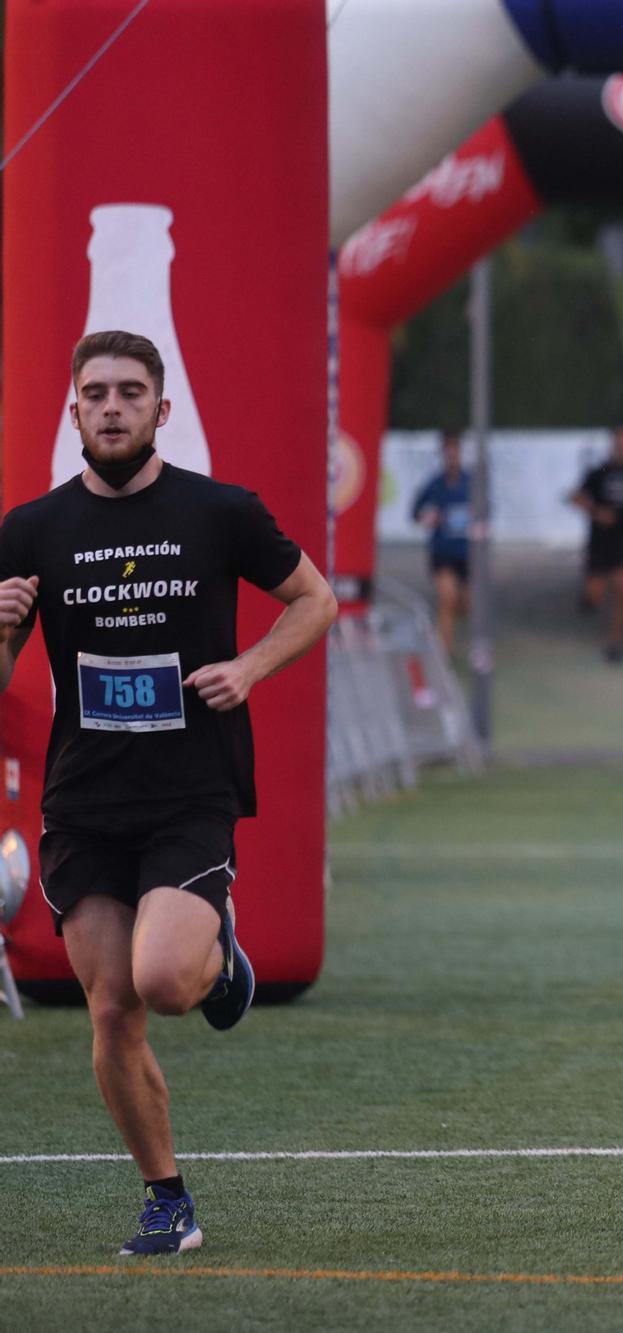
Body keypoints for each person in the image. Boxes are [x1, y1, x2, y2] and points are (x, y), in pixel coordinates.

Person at [0, 331, 337, 1256]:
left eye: (131, 392)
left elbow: (316, 598)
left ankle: (221, 961)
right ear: (72, 409)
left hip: (189, 790)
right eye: (97, 392)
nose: (113, 406)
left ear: (162, 408)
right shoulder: (30, 530)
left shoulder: (220, 510)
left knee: (159, 978)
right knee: (113, 1006)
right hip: (84, 800)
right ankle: (167, 1200)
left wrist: (252, 666)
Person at [569, 427, 623, 662]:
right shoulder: (600, 471)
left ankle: (616, 642)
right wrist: (596, 512)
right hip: (600, 541)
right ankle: (588, 597)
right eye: (620, 442)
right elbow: (576, 496)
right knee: (596, 592)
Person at [409, 433, 471, 658]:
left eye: (455, 452)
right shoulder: (434, 484)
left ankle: (462, 639)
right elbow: (415, 512)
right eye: (448, 453)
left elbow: (486, 512)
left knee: (464, 603)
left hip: (466, 553)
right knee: (447, 598)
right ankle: (443, 651)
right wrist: (429, 518)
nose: (452, 457)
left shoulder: (470, 483)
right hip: (442, 551)